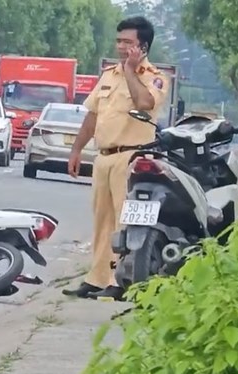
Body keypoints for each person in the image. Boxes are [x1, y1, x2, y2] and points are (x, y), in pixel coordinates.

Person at [63, 16, 169, 302]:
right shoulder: (109, 75)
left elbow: (145, 103)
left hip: (132, 157)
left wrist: (132, 71)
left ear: (143, 46)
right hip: (104, 157)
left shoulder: (155, 77)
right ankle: (95, 278)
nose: (121, 47)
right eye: (119, 41)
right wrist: (76, 150)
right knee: (102, 221)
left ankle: (119, 280)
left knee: (126, 222)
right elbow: (92, 116)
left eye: (128, 43)